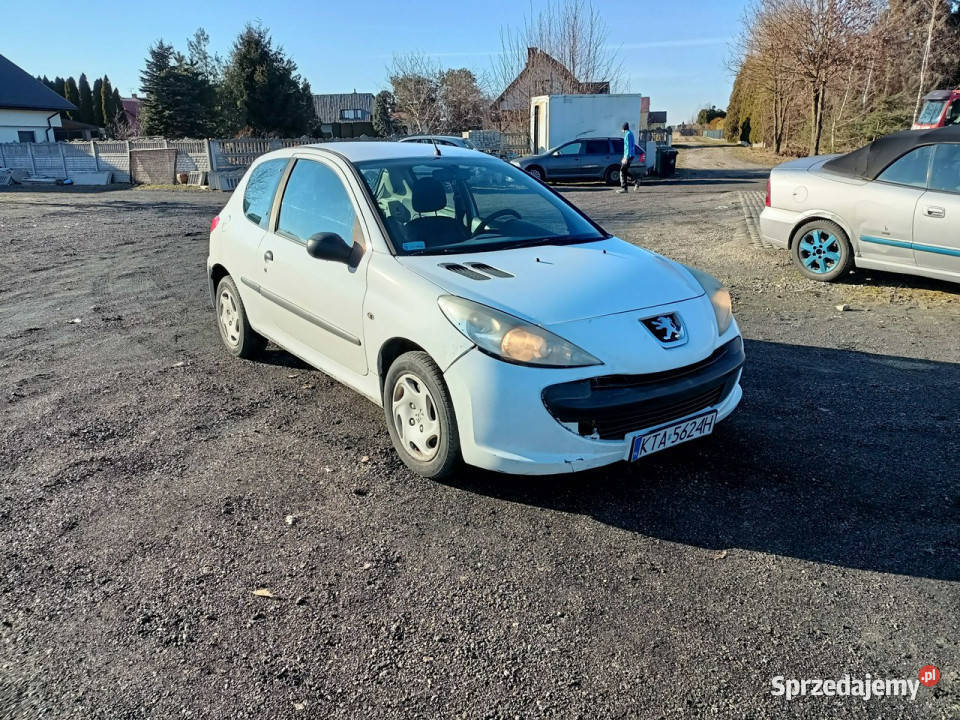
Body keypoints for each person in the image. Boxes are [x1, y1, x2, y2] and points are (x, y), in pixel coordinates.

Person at [617, 122, 636, 193]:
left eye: (622, 129)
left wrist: (626, 157)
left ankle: (624, 188)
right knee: (624, 171)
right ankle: (635, 181)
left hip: (628, 155)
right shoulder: (631, 133)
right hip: (631, 155)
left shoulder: (627, 135)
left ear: (624, 128)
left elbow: (628, 147)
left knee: (622, 171)